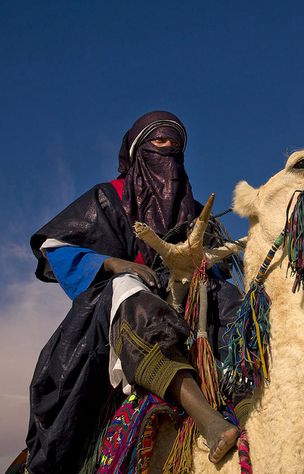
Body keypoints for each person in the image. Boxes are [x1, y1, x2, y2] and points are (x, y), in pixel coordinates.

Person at [25, 111, 241, 473]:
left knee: (232, 297)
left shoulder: (196, 211)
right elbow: (56, 247)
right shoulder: (109, 196)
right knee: (129, 291)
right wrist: (112, 264)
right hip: (116, 309)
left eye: (176, 144)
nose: (169, 149)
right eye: (160, 141)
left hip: (191, 301)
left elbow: (220, 260)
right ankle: (206, 417)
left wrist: (198, 266)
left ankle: (248, 394)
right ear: (139, 151)